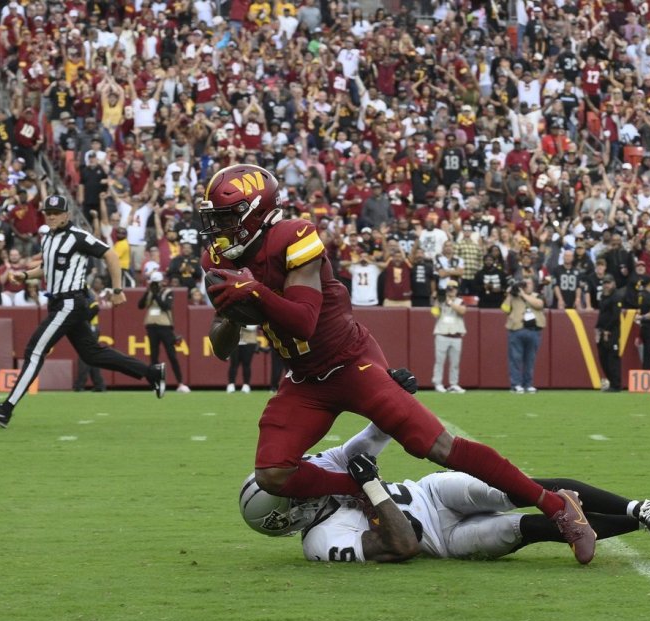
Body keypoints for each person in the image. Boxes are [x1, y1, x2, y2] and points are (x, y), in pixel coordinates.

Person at [200, 165, 597, 564]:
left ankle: (557, 506)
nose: (219, 228)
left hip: (350, 363)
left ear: (258, 211)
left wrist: (255, 292)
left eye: (227, 217)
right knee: (273, 472)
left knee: (437, 446)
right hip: (305, 379)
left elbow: (304, 319)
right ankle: (357, 487)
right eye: (215, 219)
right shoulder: (219, 259)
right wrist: (231, 310)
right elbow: (221, 346)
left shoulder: (294, 237)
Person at [240, 422, 650, 563]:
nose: (302, 485)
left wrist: (387, 405)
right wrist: (370, 487)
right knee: (532, 527)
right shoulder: (321, 543)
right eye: (292, 493)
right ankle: (648, 520)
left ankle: (641, 508)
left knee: (528, 489)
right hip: (443, 542)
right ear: (287, 517)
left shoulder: (317, 473)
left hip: (433, 495)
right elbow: (402, 545)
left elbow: (364, 443)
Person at [0, 195, 167, 428]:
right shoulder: (48, 237)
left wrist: (117, 289)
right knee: (92, 354)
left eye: (56, 213)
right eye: (48, 213)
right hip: (60, 303)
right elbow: (47, 267)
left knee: (34, 351)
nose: (52, 216)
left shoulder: (78, 236)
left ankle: (4, 410)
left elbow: (110, 254)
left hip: (70, 302)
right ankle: (152, 373)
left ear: (67, 214)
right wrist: (25, 275)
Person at [138, 271, 190, 393]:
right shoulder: (150, 292)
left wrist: (156, 294)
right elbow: (140, 305)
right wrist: (148, 292)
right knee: (153, 356)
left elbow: (166, 306)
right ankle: (156, 383)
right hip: (151, 326)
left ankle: (180, 383)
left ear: (162, 282)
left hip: (165, 326)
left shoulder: (168, 292)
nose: (155, 285)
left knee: (172, 355)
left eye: (157, 282)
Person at [502, 276, 545, 394]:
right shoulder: (513, 297)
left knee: (530, 360)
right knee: (515, 359)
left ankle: (528, 384)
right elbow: (504, 309)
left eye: (528, 283)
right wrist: (509, 295)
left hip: (533, 331)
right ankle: (516, 384)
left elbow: (539, 305)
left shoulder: (537, 295)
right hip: (517, 330)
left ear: (533, 285)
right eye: (524, 284)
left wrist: (523, 295)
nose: (526, 286)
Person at [431, 280, 467, 393]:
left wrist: (450, 302)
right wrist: (437, 300)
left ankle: (454, 384)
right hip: (442, 334)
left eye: (454, 288)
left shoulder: (460, 301)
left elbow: (462, 311)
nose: (452, 290)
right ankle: (438, 383)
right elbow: (435, 313)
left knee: (455, 362)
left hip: (456, 335)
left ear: (457, 290)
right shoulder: (441, 300)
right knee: (439, 361)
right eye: (449, 288)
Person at [594, 274, 622, 391]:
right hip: (602, 331)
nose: (606, 285)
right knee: (603, 358)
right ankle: (611, 382)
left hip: (612, 332)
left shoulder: (616, 297)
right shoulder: (603, 297)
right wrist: (597, 328)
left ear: (613, 284)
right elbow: (602, 315)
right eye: (605, 283)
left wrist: (607, 330)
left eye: (608, 283)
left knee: (612, 358)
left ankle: (616, 385)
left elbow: (615, 316)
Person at [228, 324, 260, 393]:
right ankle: (231, 385)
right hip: (234, 341)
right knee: (234, 364)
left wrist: (239, 323)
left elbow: (252, 327)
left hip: (249, 341)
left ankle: (246, 385)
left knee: (246, 364)